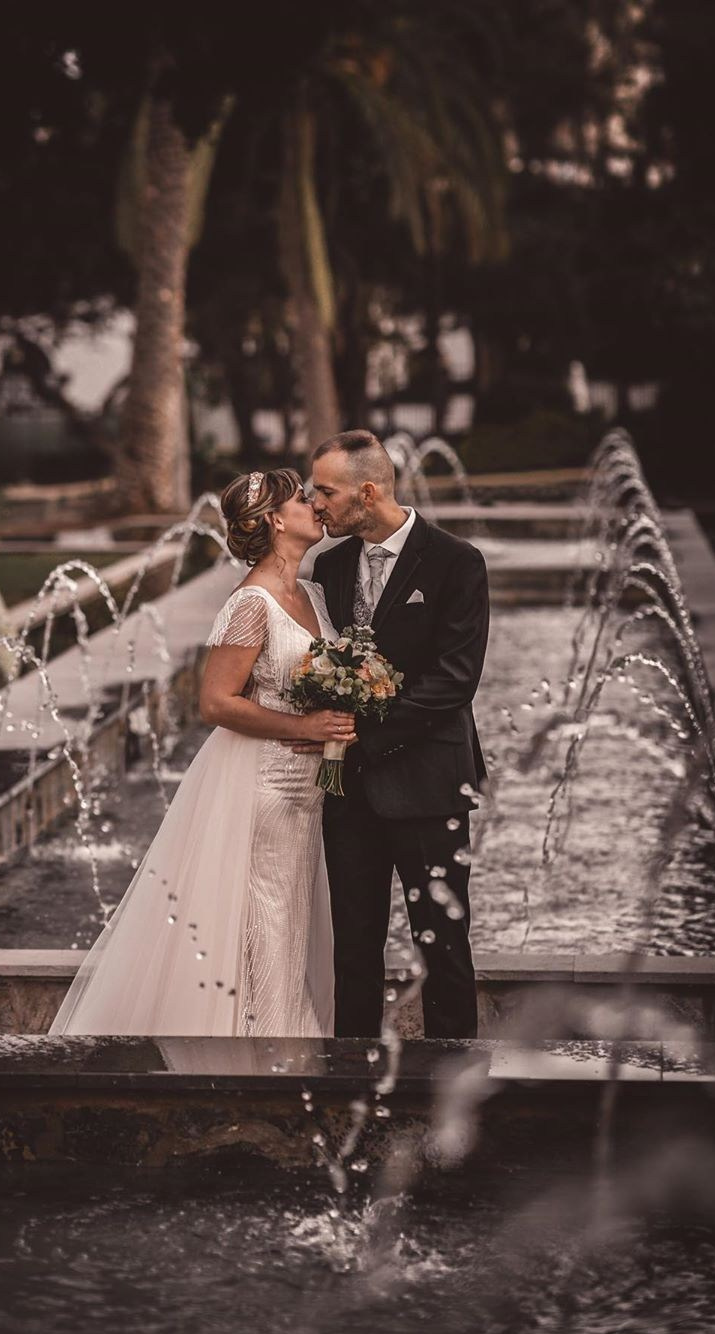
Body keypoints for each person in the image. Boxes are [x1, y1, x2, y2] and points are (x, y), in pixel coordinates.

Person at [48, 468, 350, 1037]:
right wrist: (304, 722)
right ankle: (272, 1042)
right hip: (267, 784)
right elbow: (214, 702)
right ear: (276, 522)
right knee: (271, 917)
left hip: (308, 786)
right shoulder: (252, 603)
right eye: (300, 499)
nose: (314, 504)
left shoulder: (310, 592)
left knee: (291, 917)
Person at [306, 429, 490, 1040]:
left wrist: (363, 730)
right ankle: (346, 1077)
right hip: (347, 790)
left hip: (429, 784)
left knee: (440, 940)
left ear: (368, 491)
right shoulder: (329, 565)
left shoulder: (455, 561)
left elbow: (455, 680)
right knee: (352, 945)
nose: (315, 504)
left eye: (325, 492)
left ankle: (454, 1073)